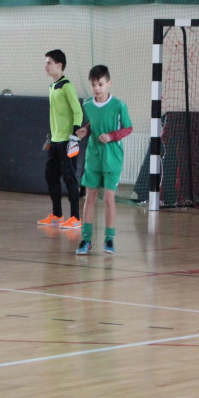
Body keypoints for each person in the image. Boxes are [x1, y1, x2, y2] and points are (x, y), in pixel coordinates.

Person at [74, 65, 132, 255]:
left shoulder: (119, 105)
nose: (97, 88)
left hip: (113, 157)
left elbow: (128, 128)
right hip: (94, 157)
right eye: (93, 85)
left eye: (100, 84)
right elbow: (94, 122)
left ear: (109, 84)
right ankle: (86, 239)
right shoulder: (88, 105)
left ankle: (109, 239)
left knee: (108, 198)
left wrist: (111, 136)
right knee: (89, 197)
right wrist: (86, 129)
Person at [37, 50, 84, 230]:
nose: (46, 66)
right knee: (51, 176)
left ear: (59, 65)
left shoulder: (67, 86)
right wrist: (52, 136)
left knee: (70, 178)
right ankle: (57, 215)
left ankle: (75, 218)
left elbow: (78, 112)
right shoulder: (52, 87)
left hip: (67, 141)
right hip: (55, 141)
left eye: (49, 62)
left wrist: (73, 137)